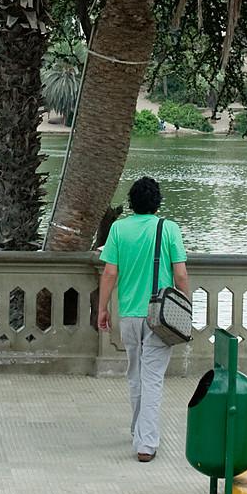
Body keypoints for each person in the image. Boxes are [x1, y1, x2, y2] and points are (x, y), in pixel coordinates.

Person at [96, 176, 192, 462]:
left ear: (132, 203)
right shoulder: (169, 229)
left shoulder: (118, 229)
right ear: (157, 203)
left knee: (135, 374)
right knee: (152, 378)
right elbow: (181, 274)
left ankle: (138, 430)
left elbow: (110, 274)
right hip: (159, 315)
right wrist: (187, 307)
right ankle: (146, 443)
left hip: (129, 315)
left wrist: (103, 308)